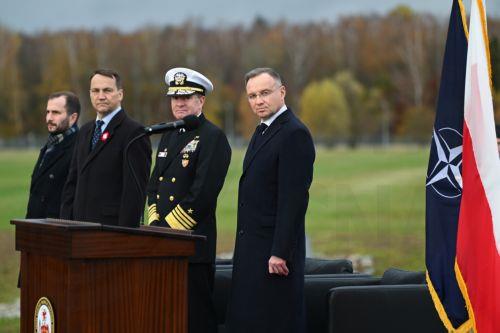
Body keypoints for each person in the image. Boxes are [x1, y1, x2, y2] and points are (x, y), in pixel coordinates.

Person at [225, 68, 315, 333]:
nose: (258, 101)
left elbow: (294, 199)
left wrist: (280, 251)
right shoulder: (263, 130)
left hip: (275, 256)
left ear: (282, 92)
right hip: (253, 248)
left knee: (275, 321)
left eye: (265, 93)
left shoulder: (294, 133)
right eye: (252, 96)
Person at [147, 67, 231, 333]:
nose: (180, 103)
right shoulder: (170, 135)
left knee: (195, 320)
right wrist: (153, 224)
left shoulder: (212, 137)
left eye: (186, 97)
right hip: (162, 244)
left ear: (201, 100)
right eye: (175, 97)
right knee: (165, 318)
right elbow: (154, 186)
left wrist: (168, 230)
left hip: (192, 246)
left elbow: (202, 194)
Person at [60, 69, 151, 227]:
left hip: (110, 232)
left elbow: (134, 194)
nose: (101, 96)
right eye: (95, 91)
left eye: (107, 90)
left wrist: (124, 235)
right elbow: (72, 183)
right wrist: (65, 223)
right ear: (90, 94)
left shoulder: (134, 133)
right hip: (77, 229)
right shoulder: (85, 131)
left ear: (120, 94)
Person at [26, 91, 80, 218]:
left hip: (57, 231)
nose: (49, 118)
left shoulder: (80, 148)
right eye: (47, 112)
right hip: (34, 228)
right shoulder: (50, 144)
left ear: (73, 118)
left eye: (56, 112)